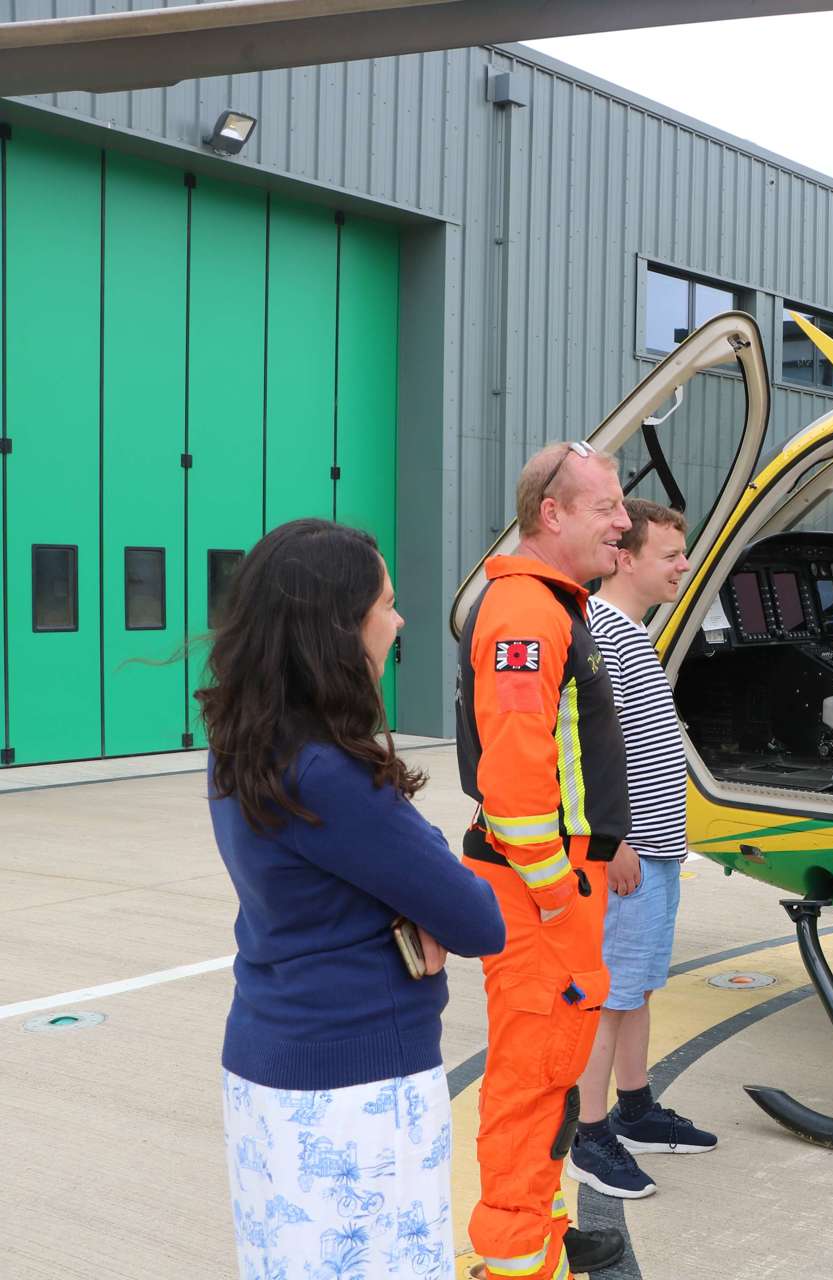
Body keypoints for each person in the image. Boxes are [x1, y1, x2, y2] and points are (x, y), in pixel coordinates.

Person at [201, 518, 505, 1280]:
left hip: (270, 1067)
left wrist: (405, 901)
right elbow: (477, 919)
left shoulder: (242, 744)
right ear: (339, 628)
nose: (398, 621)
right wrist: (418, 902)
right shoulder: (331, 775)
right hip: (359, 1090)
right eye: (388, 604)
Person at [455, 441, 634, 1280]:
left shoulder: (557, 605)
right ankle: (513, 1259)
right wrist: (559, 895)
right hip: (540, 893)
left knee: (553, 1071)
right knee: (532, 1078)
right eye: (609, 509)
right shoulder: (526, 612)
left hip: (554, 886)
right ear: (551, 514)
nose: (626, 524)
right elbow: (518, 774)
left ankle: (539, 1229)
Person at [564, 498, 720, 1200]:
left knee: (640, 987)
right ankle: (589, 1136)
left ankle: (635, 1108)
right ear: (624, 558)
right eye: (670, 555)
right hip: (627, 855)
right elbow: (590, 752)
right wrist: (612, 839)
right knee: (610, 996)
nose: (683, 566)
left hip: (657, 852)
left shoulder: (631, 633)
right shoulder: (601, 634)